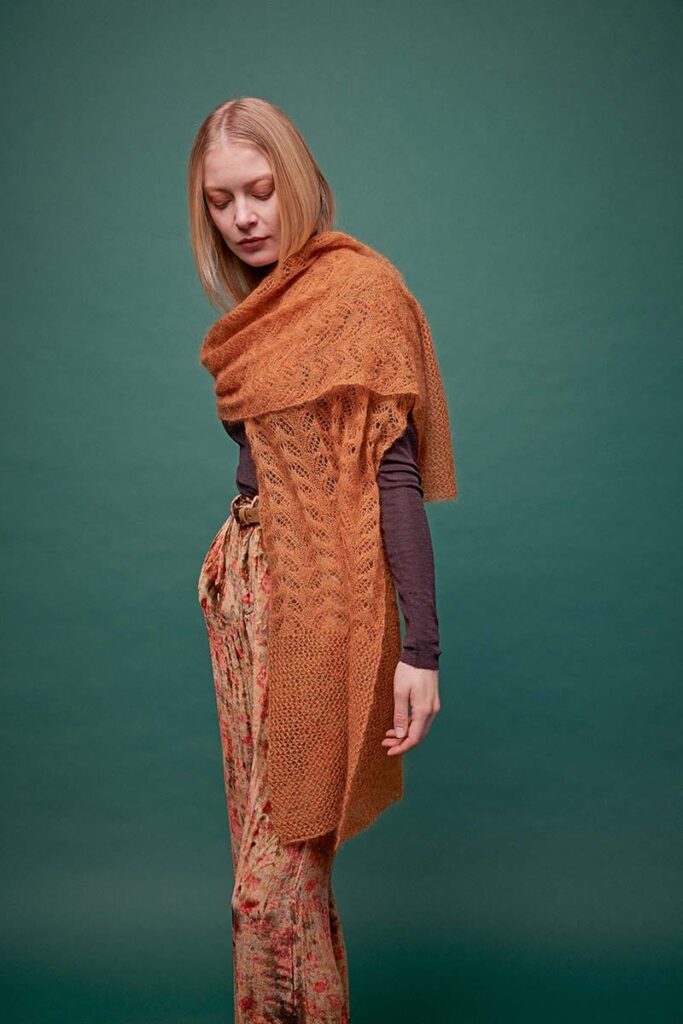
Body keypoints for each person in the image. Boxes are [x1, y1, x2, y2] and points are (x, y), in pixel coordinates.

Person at [189, 96, 457, 1024]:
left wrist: (420, 649)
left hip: (318, 606)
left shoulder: (360, 293)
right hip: (240, 591)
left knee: (268, 893)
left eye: (261, 191)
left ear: (298, 183)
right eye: (221, 201)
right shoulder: (260, 309)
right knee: (285, 895)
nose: (244, 217)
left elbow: (392, 477)